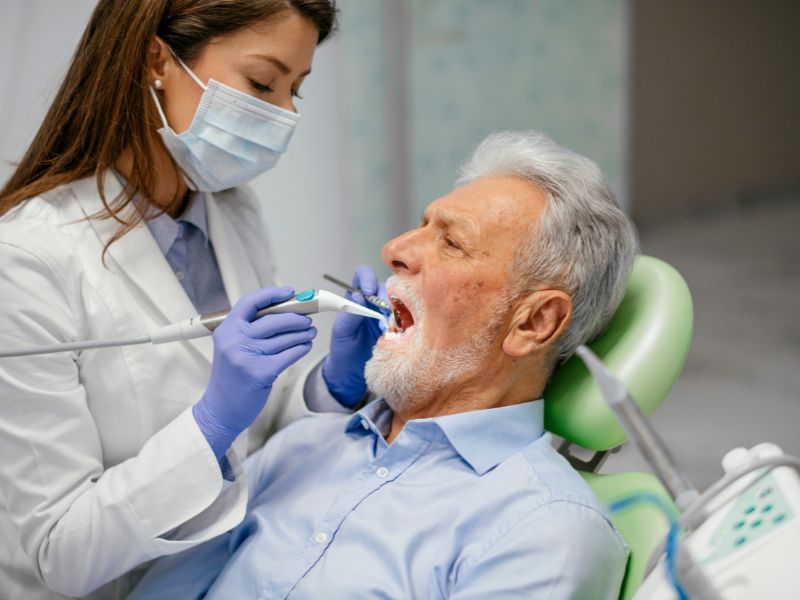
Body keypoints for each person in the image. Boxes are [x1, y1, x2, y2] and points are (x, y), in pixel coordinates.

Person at [130, 130, 639, 599]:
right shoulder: (306, 444)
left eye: (452, 242)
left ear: (534, 323)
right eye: (421, 225)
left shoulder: (544, 532)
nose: (393, 250)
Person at [0, 2, 384, 599]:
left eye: (296, 92)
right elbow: (59, 553)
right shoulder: (25, 258)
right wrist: (208, 427)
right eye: (262, 82)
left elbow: (262, 429)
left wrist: (328, 387)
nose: (283, 115)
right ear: (158, 59)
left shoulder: (232, 212)